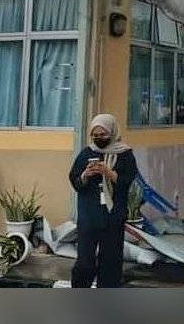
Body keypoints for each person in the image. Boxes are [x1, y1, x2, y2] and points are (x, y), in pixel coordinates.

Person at [68, 114, 137, 288]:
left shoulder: (124, 154)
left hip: (113, 216)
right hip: (89, 215)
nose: (99, 139)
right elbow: (74, 179)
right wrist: (85, 175)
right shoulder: (87, 153)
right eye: (95, 135)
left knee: (110, 261)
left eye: (103, 135)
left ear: (112, 133)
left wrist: (109, 173)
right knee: (85, 262)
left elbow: (127, 180)